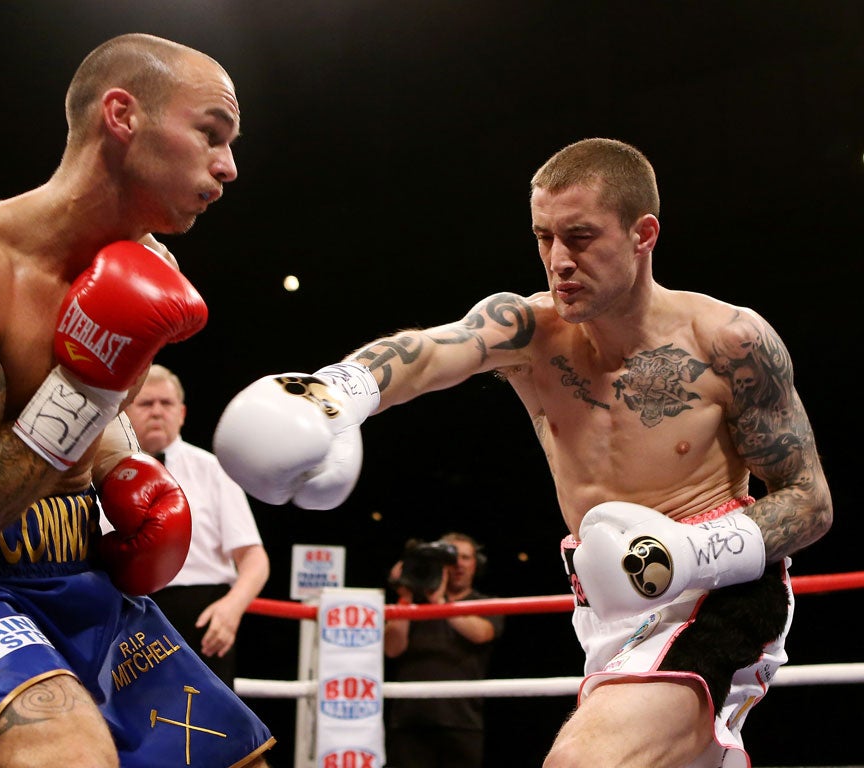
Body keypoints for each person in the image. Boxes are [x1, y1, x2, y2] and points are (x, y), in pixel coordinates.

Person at [212, 137, 833, 767]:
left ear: (643, 233)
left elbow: (810, 502)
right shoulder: (532, 333)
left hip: (719, 596)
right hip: (604, 608)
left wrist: (689, 553)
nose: (559, 260)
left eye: (582, 236)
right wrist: (334, 391)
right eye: (544, 238)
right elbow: (429, 353)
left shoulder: (729, 341)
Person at [0, 33, 276, 768]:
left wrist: (124, 471)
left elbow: (86, 424)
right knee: (65, 752)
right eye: (211, 134)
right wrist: (91, 381)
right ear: (122, 115)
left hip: (73, 569)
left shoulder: (146, 265)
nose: (228, 166)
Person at [110, 363, 270, 689]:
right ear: (125, 412)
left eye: (165, 404)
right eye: (146, 403)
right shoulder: (104, 474)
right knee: (132, 733)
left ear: (181, 413)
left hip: (203, 620)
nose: (157, 411)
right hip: (125, 618)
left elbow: (254, 558)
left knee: (206, 734)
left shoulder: (213, 469)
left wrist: (232, 608)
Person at [384, 532, 504, 768]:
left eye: (465, 557)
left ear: (475, 564)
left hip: (461, 721)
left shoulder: (485, 602)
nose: (458, 564)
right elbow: (392, 649)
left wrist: (439, 602)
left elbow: (481, 634)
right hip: (409, 719)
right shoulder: (413, 604)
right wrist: (405, 596)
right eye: (451, 557)